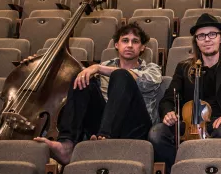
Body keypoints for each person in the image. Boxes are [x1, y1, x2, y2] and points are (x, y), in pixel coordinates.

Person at [35, 22, 163, 165]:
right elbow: (63, 76)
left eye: (135, 41)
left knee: (121, 75)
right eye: (125, 40)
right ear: (116, 45)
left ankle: (105, 138)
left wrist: (97, 67)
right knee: (82, 78)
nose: (130, 45)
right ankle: (67, 144)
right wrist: (35, 63)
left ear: (142, 47)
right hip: (104, 122)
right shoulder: (105, 65)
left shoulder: (152, 68)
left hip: (135, 127)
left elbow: (137, 79)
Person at [148, 13, 221, 172]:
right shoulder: (184, 67)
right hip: (189, 124)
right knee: (157, 133)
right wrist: (168, 113)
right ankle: (178, 173)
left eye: (212, 34)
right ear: (196, 41)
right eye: (201, 35)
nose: (207, 39)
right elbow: (168, 99)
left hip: (218, 121)